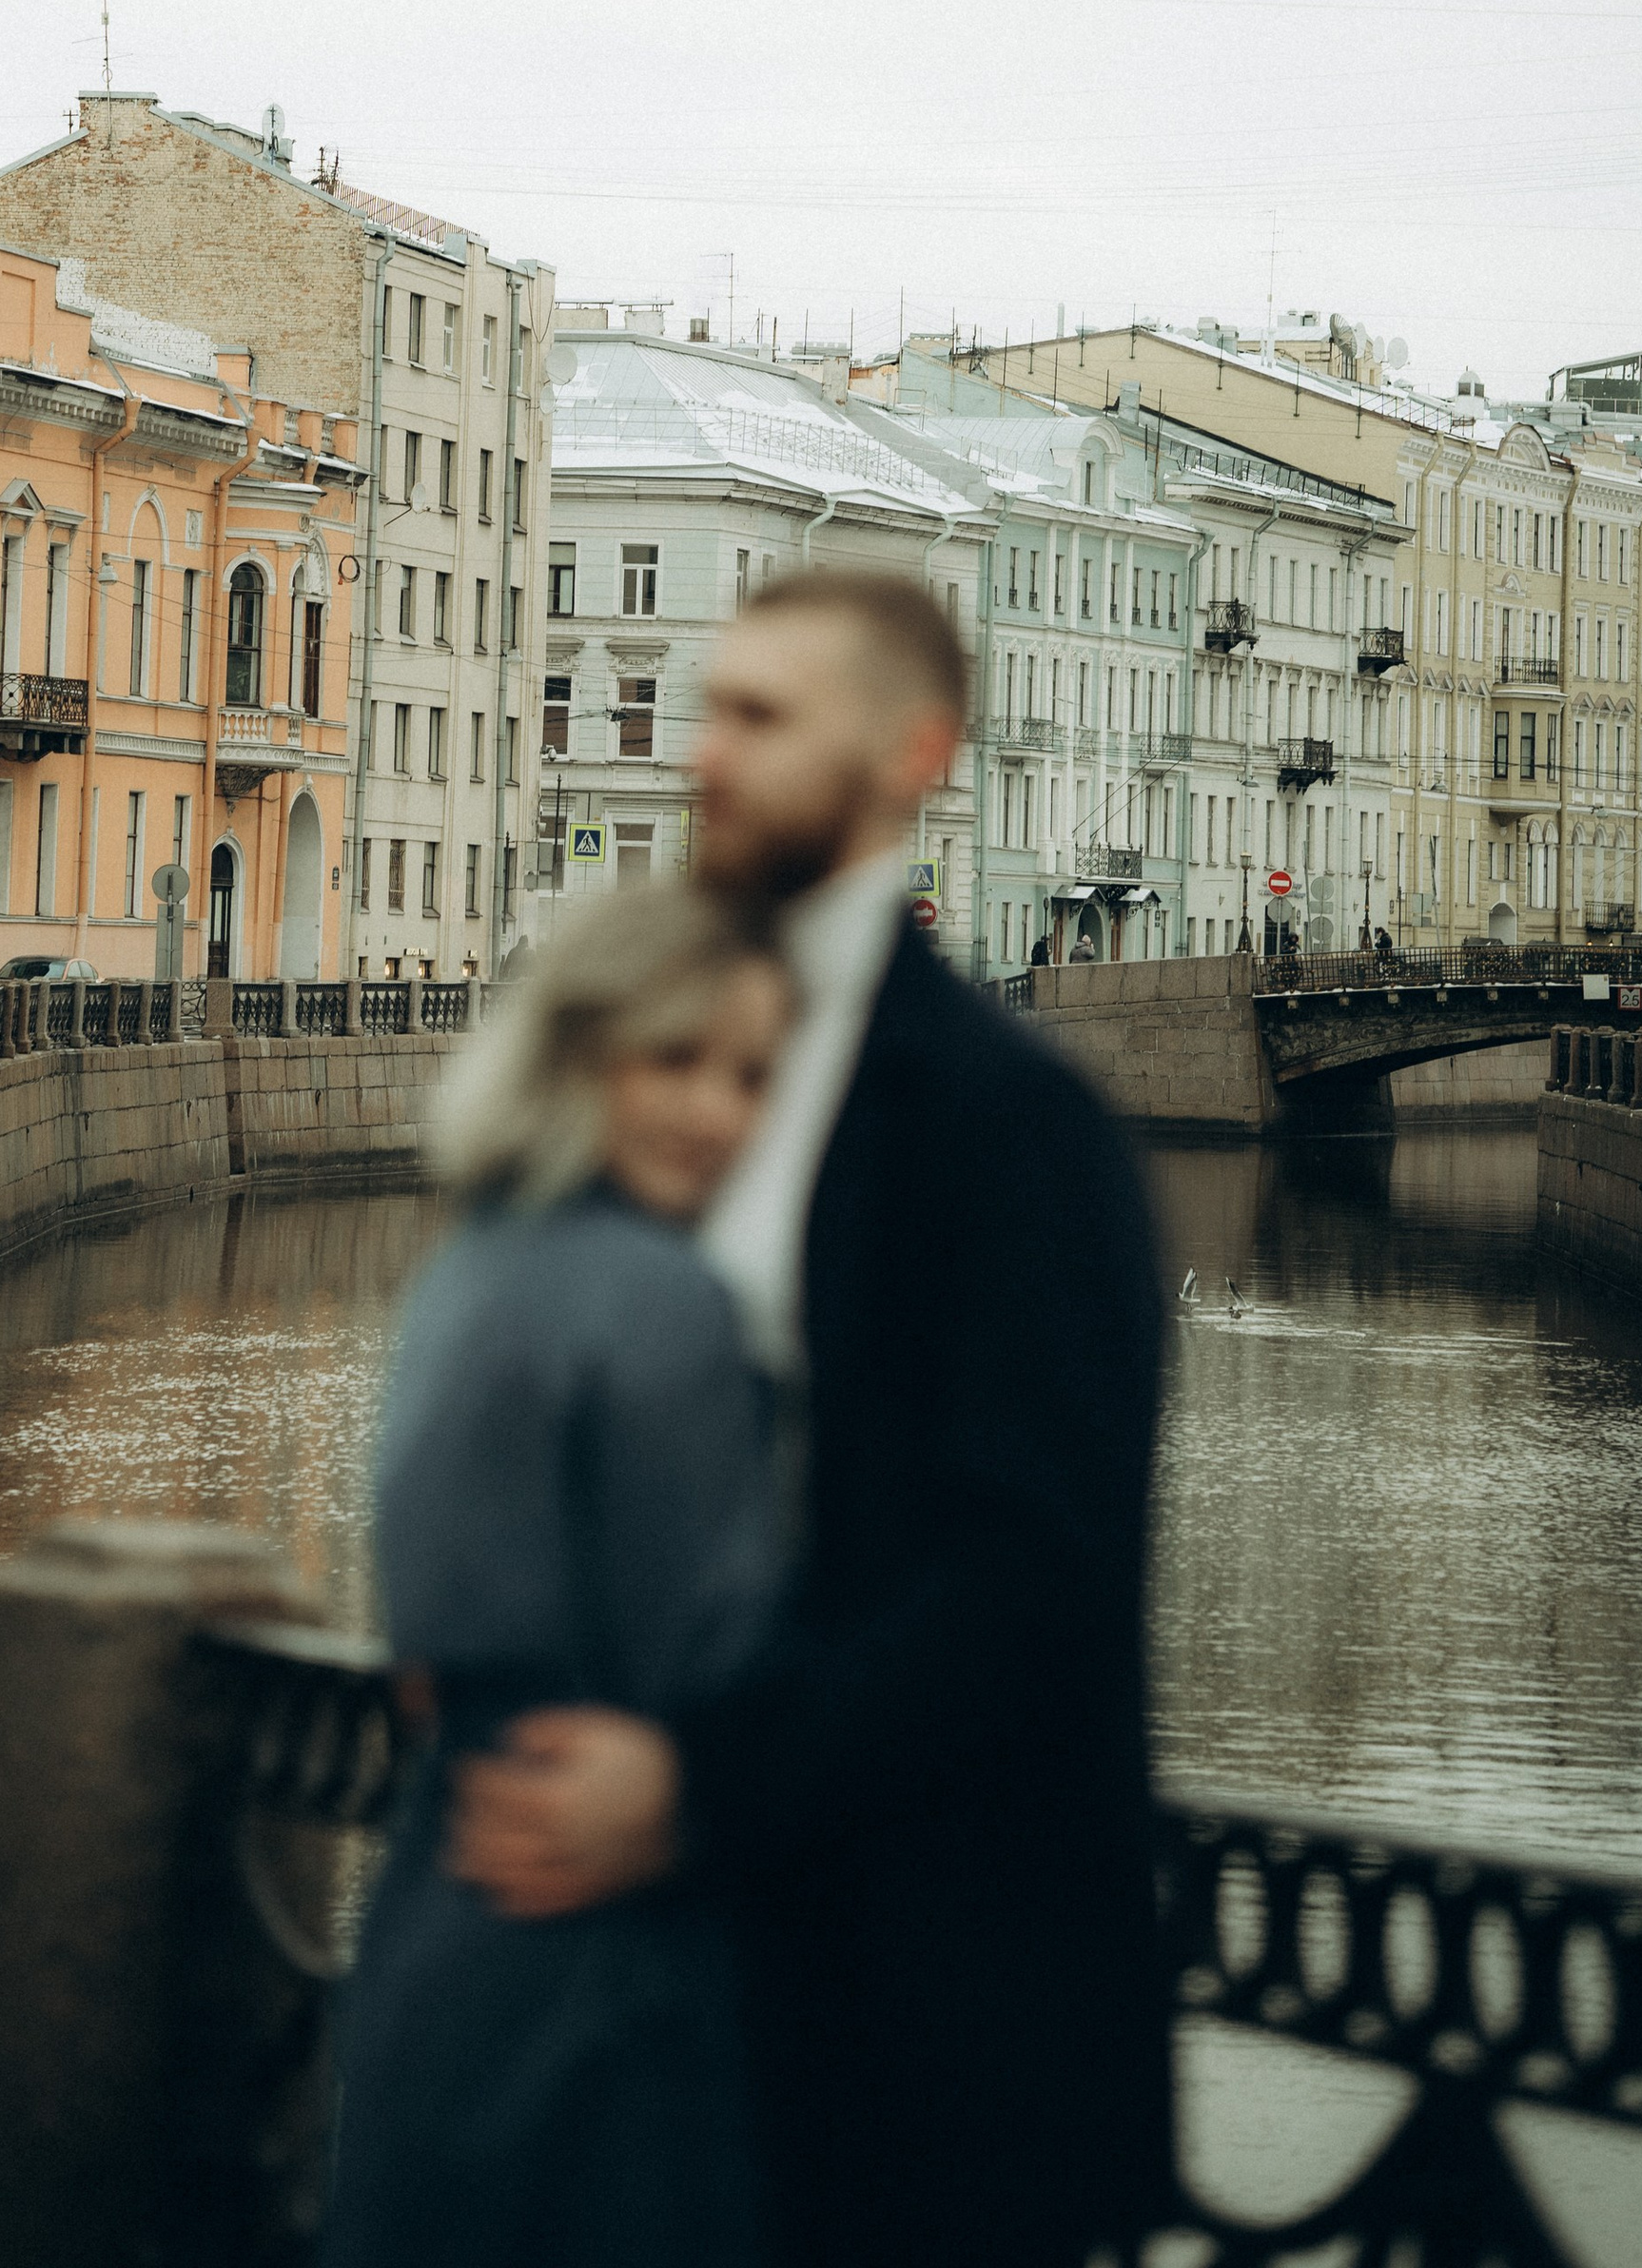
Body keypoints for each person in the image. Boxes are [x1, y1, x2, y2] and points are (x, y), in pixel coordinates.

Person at [451, 573, 1169, 2268]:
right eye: (708, 708)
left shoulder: (1016, 1126)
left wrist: (696, 1786)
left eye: (762, 719)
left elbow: (1031, 1584)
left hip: (933, 2003)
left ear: (913, 754)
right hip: (652, 1977)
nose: (704, 755)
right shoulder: (665, 1064)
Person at [323, 884, 793, 2268]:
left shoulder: (473, 1270)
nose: (717, 1112)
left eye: (753, 1075)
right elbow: (717, 1668)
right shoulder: (665, 1302)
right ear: (579, 1053)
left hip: (440, 1912)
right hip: (604, 1953)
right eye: (674, 1059)